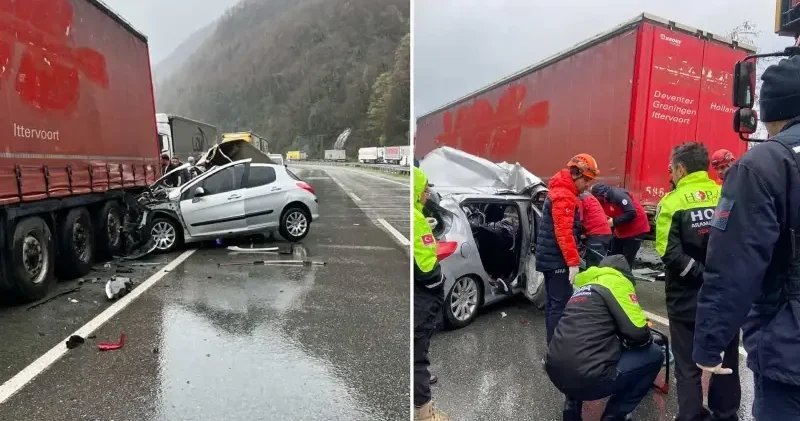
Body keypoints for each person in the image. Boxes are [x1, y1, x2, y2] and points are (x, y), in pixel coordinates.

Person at [693, 55, 800, 420]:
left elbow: (734, 267)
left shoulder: (765, 164)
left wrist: (709, 344)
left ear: (769, 113)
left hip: (790, 352)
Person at [655, 142, 740, 421]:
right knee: (727, 361)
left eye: (672, 167)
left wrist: (698, 274)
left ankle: (691, 416)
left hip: (685, 300)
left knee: (687, 366)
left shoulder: (672, 202)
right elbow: (741, 243)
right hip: (724, 296)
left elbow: (668, 251)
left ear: (680, 168)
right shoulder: (726, 194)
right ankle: (726, 415)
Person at [545, 255, 662, 421]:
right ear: (624, 274)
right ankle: (615, 415)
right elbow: (637, 333)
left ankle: (571, 404)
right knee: (655, 355)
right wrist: (646, 339)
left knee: (577, 350)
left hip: (555, 371)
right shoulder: (617, 282)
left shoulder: (582, 287)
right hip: (589, 379)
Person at [535, 153, 598, 344]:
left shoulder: (560, 190)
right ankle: (556, 351)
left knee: (553, 304)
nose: (588, 185)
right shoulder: (564, 195)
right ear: (576, 173)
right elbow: (563, 232)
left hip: (549, 258)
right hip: (557, 260)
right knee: (560, 305)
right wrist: (572, 262)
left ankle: (552, 348)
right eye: (586, 180)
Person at [412, 166, 449, 421]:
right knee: (418, 358)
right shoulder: (416, 219)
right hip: (422, 299)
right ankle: (425, 414)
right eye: (425, 189)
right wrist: (440, 283)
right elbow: (427, 271)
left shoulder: (416, 215)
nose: (427, 195)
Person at [590, 183, 650, 270]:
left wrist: (613, 222)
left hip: (635, 229)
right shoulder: (601, 202)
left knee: (625, 261)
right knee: (613, 258)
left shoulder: (616, 195)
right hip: (620, 229)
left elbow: (631, 213)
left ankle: (625, 279)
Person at [469, 205, 519, 294]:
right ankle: (505, 280)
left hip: (485, 264)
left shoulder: (480, 230)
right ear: (500, 216)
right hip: (500, 269)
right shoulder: (507, 232)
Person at [578, 192, 612, 268]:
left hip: (597, 234)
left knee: (593, 267)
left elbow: (578, 221)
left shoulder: (580, 199)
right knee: (596, 263)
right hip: (602, 233)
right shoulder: (587, 196)